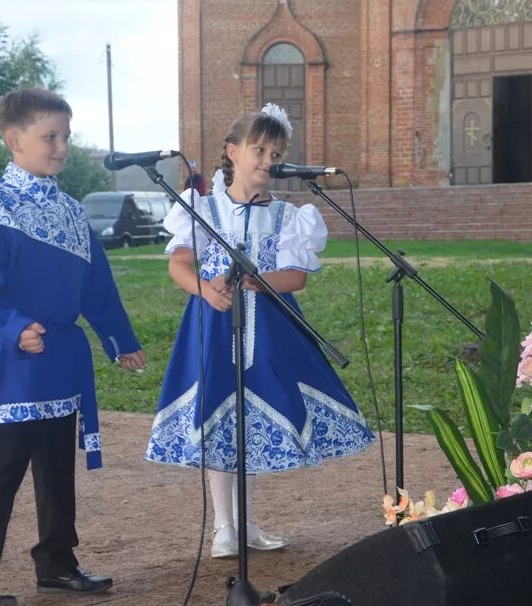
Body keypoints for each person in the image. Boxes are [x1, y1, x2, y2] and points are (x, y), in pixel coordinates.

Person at [0, 88, 146, 606]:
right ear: (14, 140)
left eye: (66, 138)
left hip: (61, 361)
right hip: (15, 362)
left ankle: (56, 562)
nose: (61, 148)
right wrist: (14, 330)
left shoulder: (74, 214)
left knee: (56, 467)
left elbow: (98, 286)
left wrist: (119, 339)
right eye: (49, 137)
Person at [145, 104, 374, 559]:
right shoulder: (203, 207)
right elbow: (178, 263)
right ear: (233, 152)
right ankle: (223, 527)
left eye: (277, 151)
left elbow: (297, 276)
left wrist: (264, 281)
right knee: (218, 412)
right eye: (259, 149)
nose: (268, 159)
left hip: (268, 328)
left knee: (250, 420)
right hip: (212, 324)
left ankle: (247, 523)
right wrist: (204, 290)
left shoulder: (289, 216)